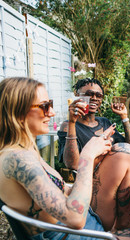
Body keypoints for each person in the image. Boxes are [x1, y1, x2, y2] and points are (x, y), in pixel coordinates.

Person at [0, 77, 117, 239]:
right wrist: (88, 156)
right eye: (44, 106)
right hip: (78, 234)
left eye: (51, 104)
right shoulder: (17, 159)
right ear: (18, 112)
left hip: (86, 228)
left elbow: (64, 192)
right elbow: (76, 219)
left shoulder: (23, 150)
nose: (52, 113)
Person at [57, 78, 130, 232]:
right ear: (77, 95)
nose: (94, 98)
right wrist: (72, 122)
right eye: (89, 94)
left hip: (119, 178)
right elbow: (72, 164)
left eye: (98, 95)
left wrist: (124, 118)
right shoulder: (69, 125)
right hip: (94, 184)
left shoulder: (104, 122)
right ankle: (123, 224)